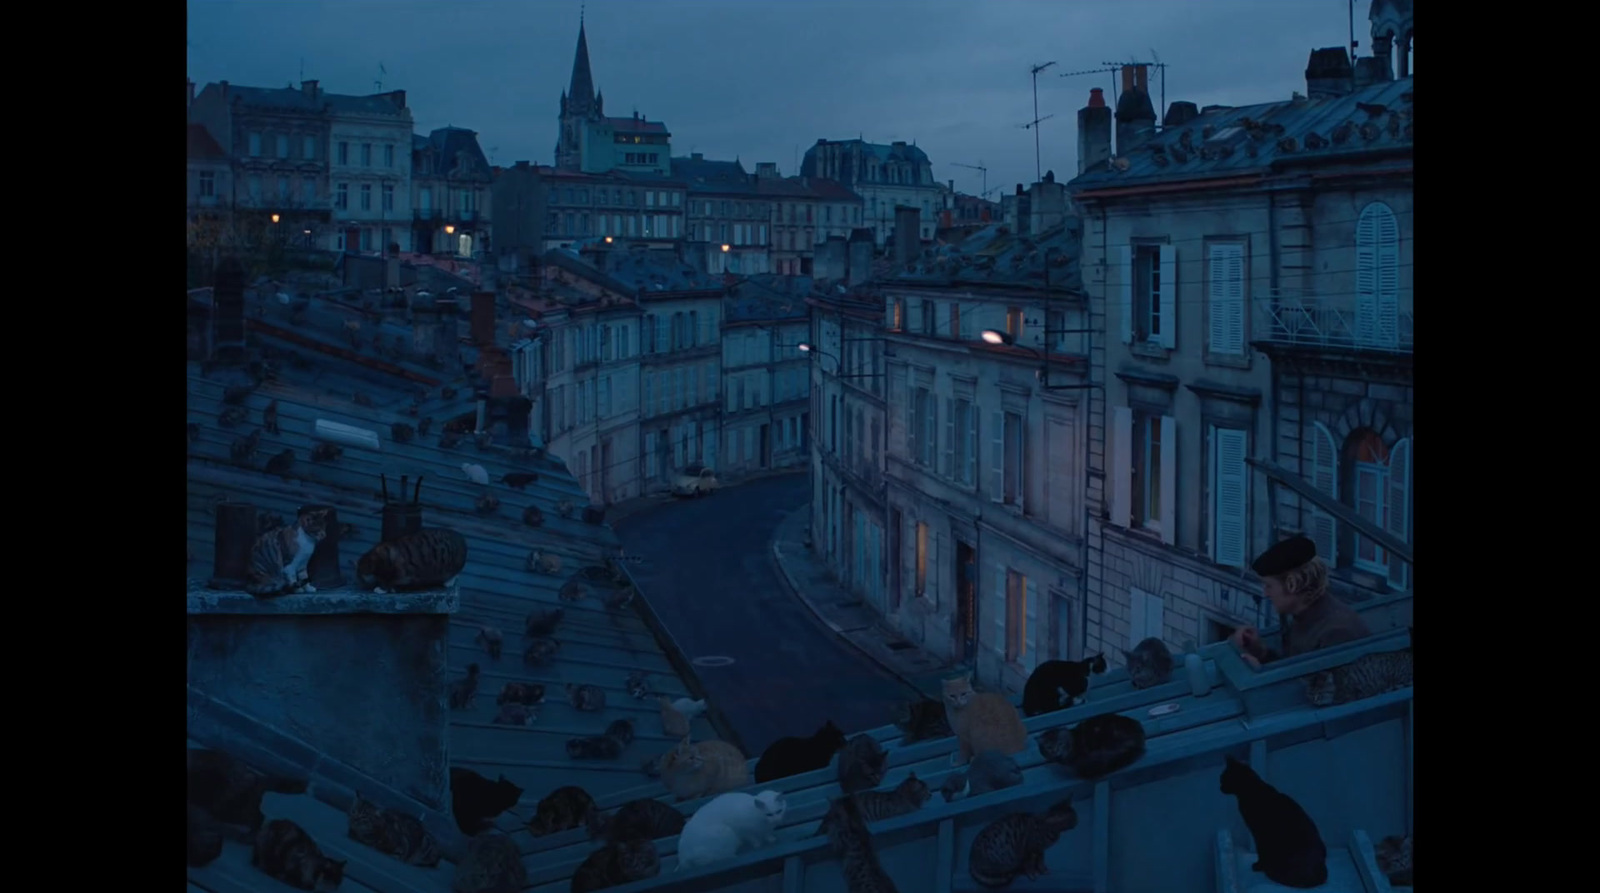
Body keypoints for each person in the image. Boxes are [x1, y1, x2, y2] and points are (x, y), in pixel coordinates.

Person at [1229, 534, 1370, 669]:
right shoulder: (1305, 617)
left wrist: (1260, 673)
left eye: (1269, 586)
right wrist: (1261, 653)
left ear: (1293, 584)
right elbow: (1294, 671)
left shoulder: (1336, 633)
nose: (1265, 593)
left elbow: (1316, 691)